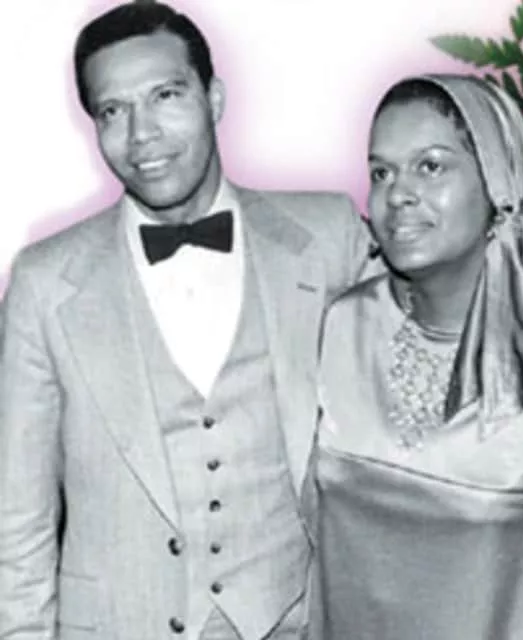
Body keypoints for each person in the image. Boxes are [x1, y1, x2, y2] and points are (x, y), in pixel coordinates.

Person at [0, 3, 373, 638]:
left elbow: (434, 353)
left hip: (299, 620)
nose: (141, 134)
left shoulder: (327, 235)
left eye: (166, 96)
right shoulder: (43, 282)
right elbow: (17, 520)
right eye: (113, 111)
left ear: (214, 98)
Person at [312, 74, 523, 639]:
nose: (398, 194)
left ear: (499, 181)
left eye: (431, 166)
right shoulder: (344, 325)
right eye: (381, 172)